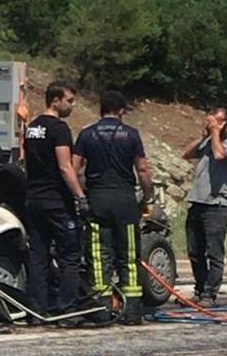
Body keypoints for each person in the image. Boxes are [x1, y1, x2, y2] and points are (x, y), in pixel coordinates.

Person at [73, 91, 153, 325]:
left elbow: (74, 169)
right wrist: (147, 196)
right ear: (121, 111)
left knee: (99, 255)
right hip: (125, 201)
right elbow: (143, 170)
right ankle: (132, 311)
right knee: (129, 255)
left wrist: (80, 196)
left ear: (101, 109)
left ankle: (101, 308)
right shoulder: (131, 135)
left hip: (97, 199)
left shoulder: (87, 134)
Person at [22, 82, 87, 325]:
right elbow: (65, 167)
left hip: (34, 200)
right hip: (56, 201)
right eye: (69, 100)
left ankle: (36, 311)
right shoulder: (59, 129)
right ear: (55, 101)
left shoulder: (32, 128)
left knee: (38, 255)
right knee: (70, 254)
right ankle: (66, 310)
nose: (72, 105)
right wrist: (80, 196)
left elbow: (25, 160)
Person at [181, 107, 227, 307]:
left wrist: (216, 132)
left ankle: (210, 294)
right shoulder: (209, 141)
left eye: (217, 121)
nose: (212, 125)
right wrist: (204, 136)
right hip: (198, 202)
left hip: (217, 205)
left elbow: (219, 155)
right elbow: (186, 154)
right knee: (195, 251)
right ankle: (199, 290)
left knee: (214, 253)